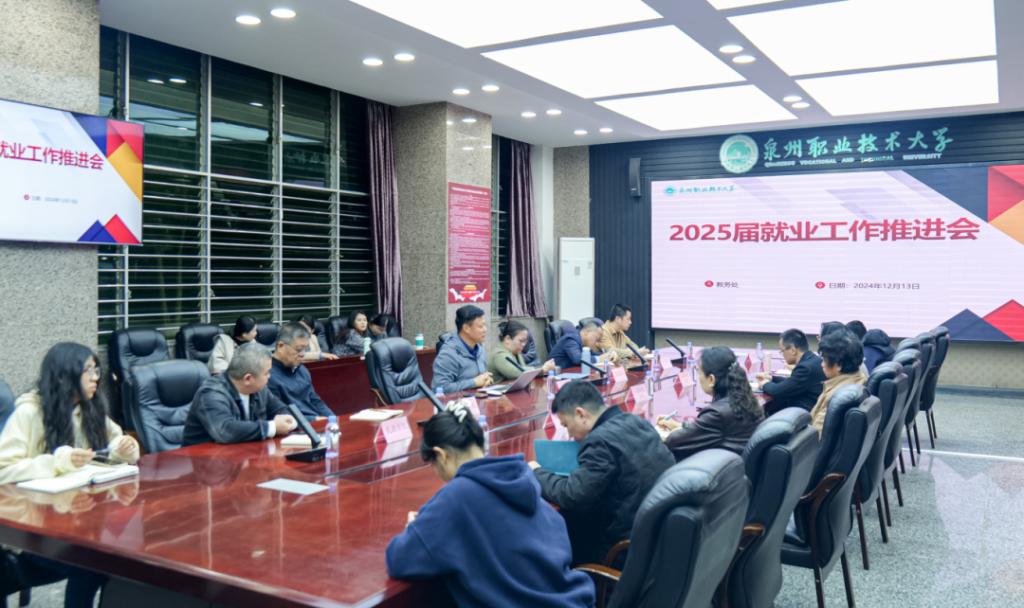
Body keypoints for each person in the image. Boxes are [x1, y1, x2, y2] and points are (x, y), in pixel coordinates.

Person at [386, 404, 595, 608]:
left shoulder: (458, 495)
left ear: (442, 455)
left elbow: (399, 559)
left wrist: (417, 528)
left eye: (433, 465)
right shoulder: (519, 475)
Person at [0, 342, 140, 608]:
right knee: (93, 562)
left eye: (97, 371)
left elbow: (112, 443)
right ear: (65, 376)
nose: (96, 378)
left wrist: (125, 449)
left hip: (73, 523)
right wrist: (57, 462)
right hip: (28, 532)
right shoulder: (30, 412)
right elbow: (3, 469)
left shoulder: (91, 408)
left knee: (105, 558)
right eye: (89, 371)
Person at [529, 381, 674, 565]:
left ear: (581, 414)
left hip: (624, 550)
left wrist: (536, 471)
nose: (569, 434)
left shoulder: (599, 442)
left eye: (566, 425)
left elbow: (571, 495)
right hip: (660, 535)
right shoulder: (635, 421)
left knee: (555, 535)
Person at [657, 347, 764, 462]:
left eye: (699, 372)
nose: (699, 377)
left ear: (711, 379)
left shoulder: (717, 414)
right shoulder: (744, 398)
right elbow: (710, 429)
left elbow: (674, 442)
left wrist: (659, 433)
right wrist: (680, 426)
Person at [183, 342, 298, 445]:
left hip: (242, 453)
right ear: (248, 379)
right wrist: (271, 427)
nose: (270, 376)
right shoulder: (212, 393)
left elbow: (281, 409)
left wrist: (288, 421)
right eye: (267, 373)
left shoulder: (259, 389)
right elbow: (225, 431)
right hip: (201, 458)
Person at [267, 323, 333, 420]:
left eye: (305, 349)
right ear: (281, 346)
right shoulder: (267, 375)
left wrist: (332, 418)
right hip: (295, 425)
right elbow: (279, 414)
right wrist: (315, 420)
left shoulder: (301, 369)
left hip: (315, 421)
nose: (303, 354)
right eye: (299, 349)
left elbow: (315, 400)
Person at [809, 329, 868, 435]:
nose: (822, 364)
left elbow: (817, 436)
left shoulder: (837, 397)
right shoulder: (860, 378)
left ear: (839, 365)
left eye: (824, 360)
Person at [756, 329, 826, 415]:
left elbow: (777, 391)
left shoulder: (805, 368)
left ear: (793, 350)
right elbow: (792, 383)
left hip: (803, 415)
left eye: (782, 351)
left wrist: (764, 384)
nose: (782, 354)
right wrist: (772, 378)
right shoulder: (813, 360)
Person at [432, 305, 493, 393]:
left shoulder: (480, 349)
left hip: (479, 398)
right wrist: (474, 382)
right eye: (480, 326)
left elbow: (480, 380)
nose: (485, 330)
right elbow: (440, 388)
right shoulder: (448, 354)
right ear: (466, 328)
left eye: (485, 325)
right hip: (457, 401)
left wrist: (486, 380)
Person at [487, 321, 555, 383]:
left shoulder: (515, 352)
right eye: (521, 341)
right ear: (507, 339)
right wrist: (542, 369)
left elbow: (523, 369)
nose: (524, 344)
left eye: (525, 341)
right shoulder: (499, 354)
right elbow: (518, 373)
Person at [548, 321, 617, 370]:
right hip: (557, 377)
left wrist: (609, 355)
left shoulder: (584, 344)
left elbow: (593, 355)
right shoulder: (571, 339)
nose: (596, 343)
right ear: (587, 332)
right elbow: (577, 359)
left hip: (571, 375)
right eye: (596, 339)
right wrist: (599, 359)